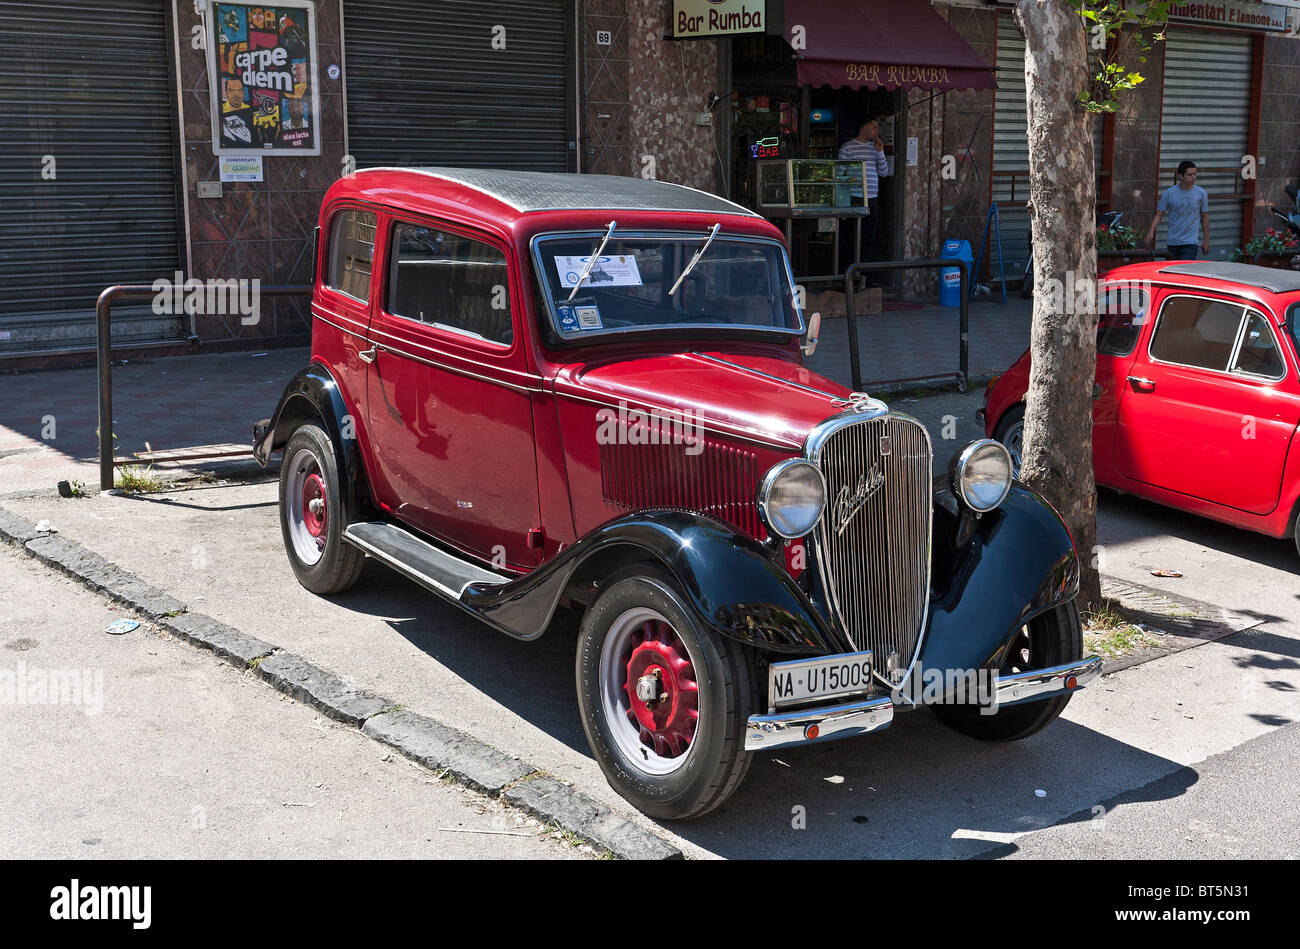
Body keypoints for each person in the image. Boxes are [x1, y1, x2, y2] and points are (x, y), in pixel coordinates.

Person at [838, 117, 891, 277]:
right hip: (855, 198)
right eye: (874, 127)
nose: (877, 131)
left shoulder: (875, 148)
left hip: (872, 199)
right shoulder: (848, 148)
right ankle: (848, 275)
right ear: (865, 127)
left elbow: (884, 172)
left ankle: (865, 276)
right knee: (853, 237)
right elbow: (840, 174)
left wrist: (880, 152)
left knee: (869, 237)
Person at [1145, 161, 1209, 260]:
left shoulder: (1201, 193)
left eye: (1195, 174)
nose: (1193, 177)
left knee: (1185, 271)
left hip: (1190, 242)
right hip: (1173, 242)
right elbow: (1159, 214)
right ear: (1180, 176)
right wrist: (1151, 232)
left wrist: (1206, 241)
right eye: (1189, 175)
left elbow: (1204, 217)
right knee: (1172, 272)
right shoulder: (1170, 193)